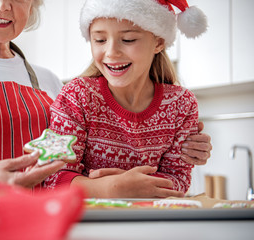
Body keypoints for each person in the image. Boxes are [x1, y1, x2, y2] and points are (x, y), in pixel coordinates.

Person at [0, 0, 210, 188]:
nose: (4, 6)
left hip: (39, 222)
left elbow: (68, 160)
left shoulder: (47, 80)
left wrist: (182, 144)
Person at [44, 0, 209, 198]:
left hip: (151, 224)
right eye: (100, 40)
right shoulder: (77, 96)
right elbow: (52, 178)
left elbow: (179, 179)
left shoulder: (181, 104)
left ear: (158, 42)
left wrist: (127, 186)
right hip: (90, 224)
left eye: (128, 40)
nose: (112, 52)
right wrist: (111, 187)